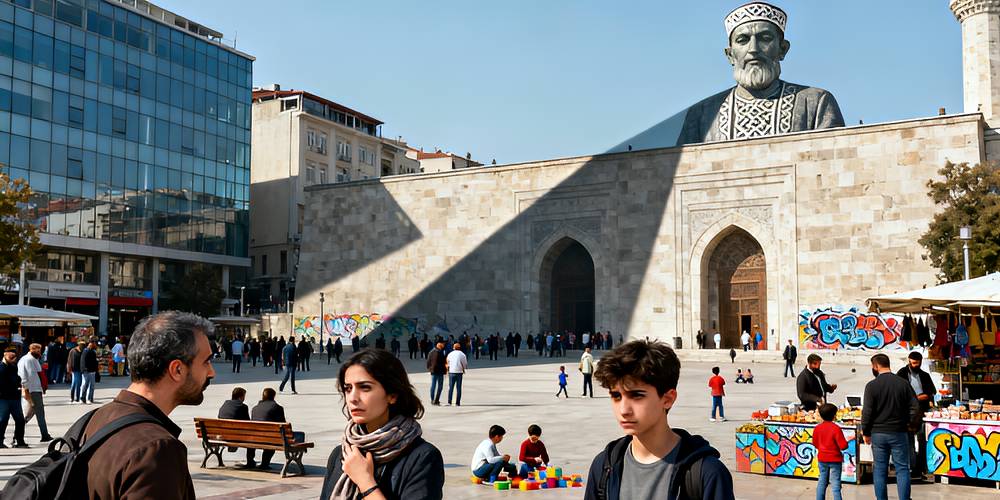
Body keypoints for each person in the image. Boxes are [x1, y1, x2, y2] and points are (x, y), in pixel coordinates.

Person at [82, 311, 215, 498]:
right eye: (206, 362)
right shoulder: (157, 449)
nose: (212, 373)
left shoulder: (93, 419)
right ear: (177, 370)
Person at [677, 2, 844, 145]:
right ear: (730, 55)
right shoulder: (702, 115)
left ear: (782, 49)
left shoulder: (816, 103)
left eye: (764, 38)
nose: (753, 49)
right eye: (743, 40)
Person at [585, 340, 734, 500]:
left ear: (668, 399)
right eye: (616, 396)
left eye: (637, 396)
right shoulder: (603, 468)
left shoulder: (707, 475)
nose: (623, 410)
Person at [320, 348, 444, 499]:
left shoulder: (422, 457)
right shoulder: (341, 454)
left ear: (392, 395)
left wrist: (365, 481)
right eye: (348, 388)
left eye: (365, 388)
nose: (352, 398)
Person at [863, 353, 918, 500]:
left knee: (880, 470)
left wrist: (866, 432)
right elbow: (915, 407)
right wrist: (909, 423)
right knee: (902, 469)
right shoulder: (902, 383)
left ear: (876, 366)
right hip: (899, 432)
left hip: (878, 433)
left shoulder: (871, 386)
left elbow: (867, 412)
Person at [896, 351, 935, 479]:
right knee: (908, 440)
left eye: (917, 363)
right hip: (906, 412)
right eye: (913, 363)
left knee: (922, 439)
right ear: (909, 361)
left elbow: (930, 392)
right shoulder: (901, 374)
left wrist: (916, 398)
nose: (915, 365)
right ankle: (910, 466)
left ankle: (921, 467)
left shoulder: (924, 375)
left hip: (921, 412)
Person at [17, 343, 52, 442]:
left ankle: (19, 433)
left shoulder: (30, 359)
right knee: (38, 413)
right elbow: (25, 375)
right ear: (32, 349)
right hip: (32, 390)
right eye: (38, 350)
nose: (39, 352)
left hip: (34, 389)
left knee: (29, 413)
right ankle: (44, 435)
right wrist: (26, 388)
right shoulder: (29, 360)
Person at [813, 403, 848, 500]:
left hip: (822, 459)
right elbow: (843, 446)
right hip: (835, 460)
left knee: (822, 482)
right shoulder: (836, 429)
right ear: (834, 416)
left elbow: (815, 443)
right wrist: (847, 442)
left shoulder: (817, 428)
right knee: (836, 484)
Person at [249, 388, 286, 470]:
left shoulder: (255, 408)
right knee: (272, 437)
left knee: (263, 434)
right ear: (274, 396)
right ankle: (264, 463)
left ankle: (250, 461)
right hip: (270, 439)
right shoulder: (278, 408)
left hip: (253, 438)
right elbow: (283, 425)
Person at [0, 347, 27, 448]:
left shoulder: (13, 366)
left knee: (20, 420)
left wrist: (19, 383)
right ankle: (0, 441)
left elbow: (17, 378)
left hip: (14, 397)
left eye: (15, 357)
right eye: (11, 357)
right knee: (3, 420)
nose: (14, 359)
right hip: (3, 398)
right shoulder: (1, 367)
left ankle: (19, 441)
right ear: (5, 355)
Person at [445, 342, 467, 406]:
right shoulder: (462, 354)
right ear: (459, 348)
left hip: (451, 372)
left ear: (453, 348)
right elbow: (465, 364)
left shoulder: (450, 354)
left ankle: (449, 401)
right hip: (459, 372)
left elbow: (447, 362)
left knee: (451, 387)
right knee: (458, 388)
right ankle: (458, 402)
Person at [426, 342, 446, 406]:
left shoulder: (431, 352)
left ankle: (432, 400)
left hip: (434, 371)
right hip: (440, 372)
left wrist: (430, 369)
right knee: (440, 386)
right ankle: (436, 400)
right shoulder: (441, 353)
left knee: (433, 386)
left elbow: (428, 361)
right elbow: (444, 362)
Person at [81, 340, 100, 404]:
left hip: (92, 371)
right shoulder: (86, 351)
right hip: (87, 371)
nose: (95, 345)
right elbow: (83, 361)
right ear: (90, 344)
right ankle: (83, 398)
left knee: (92, 385)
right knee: (85, 385)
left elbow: (94, 362)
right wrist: (84, 369)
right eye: (94, 343)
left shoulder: (93, 351)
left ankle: (90, 398)